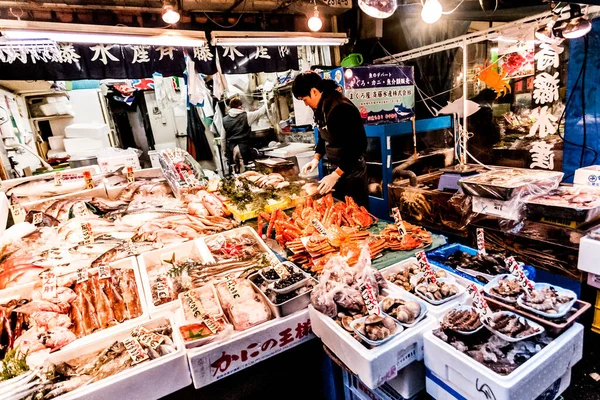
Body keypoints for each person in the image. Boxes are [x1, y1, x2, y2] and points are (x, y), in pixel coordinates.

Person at [292, 72, 369, 208]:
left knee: (357, 213)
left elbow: (358, 146)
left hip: (352, 171)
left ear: (314, 91)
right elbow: (324, 134)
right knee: (339, 210)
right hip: (338, 169)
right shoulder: (321, 106)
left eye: (304, 99)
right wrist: (316, 158)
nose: (305, 104)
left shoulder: (340, 108)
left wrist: (336, 174)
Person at [223, 97, 267, 174]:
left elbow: (223, 138)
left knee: (236, 171)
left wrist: (224, 151)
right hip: (243, 148)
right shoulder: (246, 116)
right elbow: (261, 112)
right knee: (247, 172)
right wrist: (267, 100)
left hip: (231, 149)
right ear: (240, 107)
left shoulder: (225, 120)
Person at [467, 88, 501, 165]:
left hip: (471, 139)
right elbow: (487, 127)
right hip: (480, 140)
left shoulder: (471, 103)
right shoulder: (484, 108)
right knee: (481, 159)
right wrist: (497, 135)